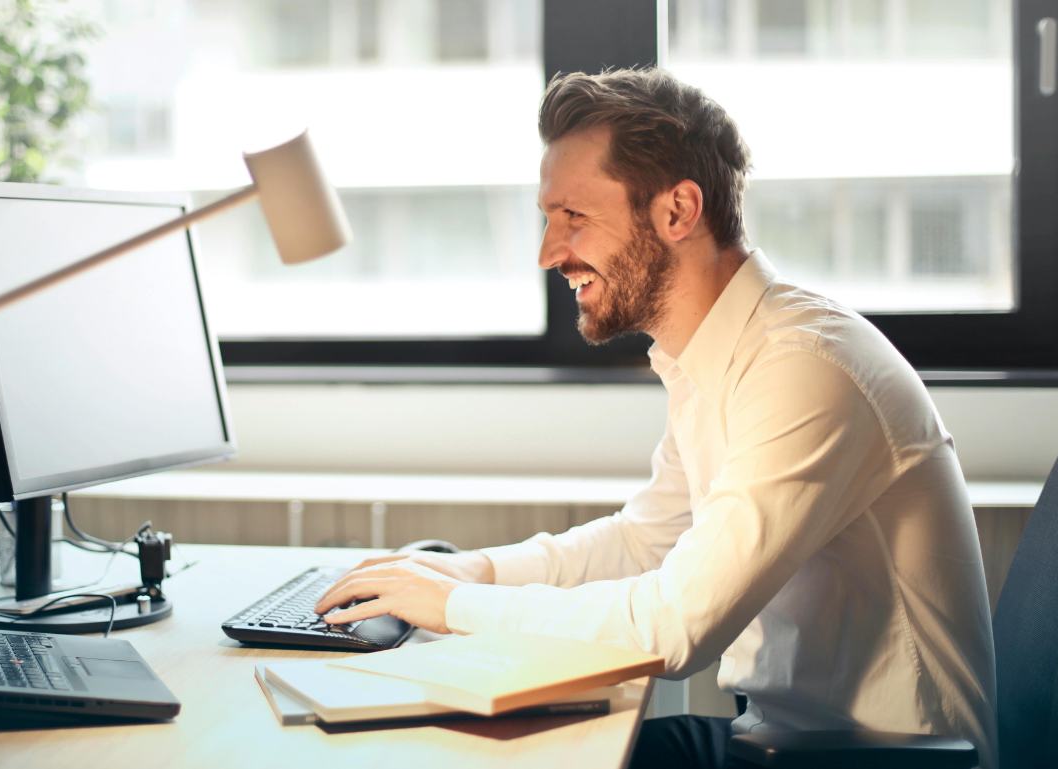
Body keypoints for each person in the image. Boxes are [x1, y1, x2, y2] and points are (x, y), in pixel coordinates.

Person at [314, 68, 998, 769]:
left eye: (573, 217)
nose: (549, 252)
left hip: (873, 760)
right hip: (775, 741)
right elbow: (646, 542)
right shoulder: (715, 356)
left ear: (678, 211)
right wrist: (469, 571)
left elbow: (674, 627)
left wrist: (452, 604)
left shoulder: (806, 369)